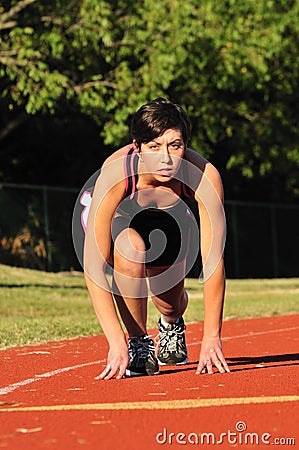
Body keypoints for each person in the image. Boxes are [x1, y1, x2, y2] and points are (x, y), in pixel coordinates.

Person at [83, 97, 230, 379]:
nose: (165, 157)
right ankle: (139, 342)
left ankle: (171, 322)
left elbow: (213, 261)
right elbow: (94, 266)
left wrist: (212, 336)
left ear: (185, 144)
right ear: (137, 148)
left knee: (169, 301)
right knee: (129, 247)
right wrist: (116, 341)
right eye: (154, 147)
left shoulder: (203, 175)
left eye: (174, 145)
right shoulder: (115, 174)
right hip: (121, 220)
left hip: (171, 221)